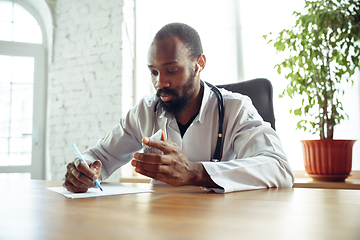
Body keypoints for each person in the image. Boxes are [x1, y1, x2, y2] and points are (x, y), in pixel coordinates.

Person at [64, 22, 294, 193]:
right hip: (160, 222)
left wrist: (195, 172)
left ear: (199, 63)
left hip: (220, 225)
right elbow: (101, 155)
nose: (159, 83)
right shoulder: (145, 111)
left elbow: (279, 168)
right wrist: (84, 169)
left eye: (172, 71)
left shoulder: (235, 109)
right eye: (153, 72)